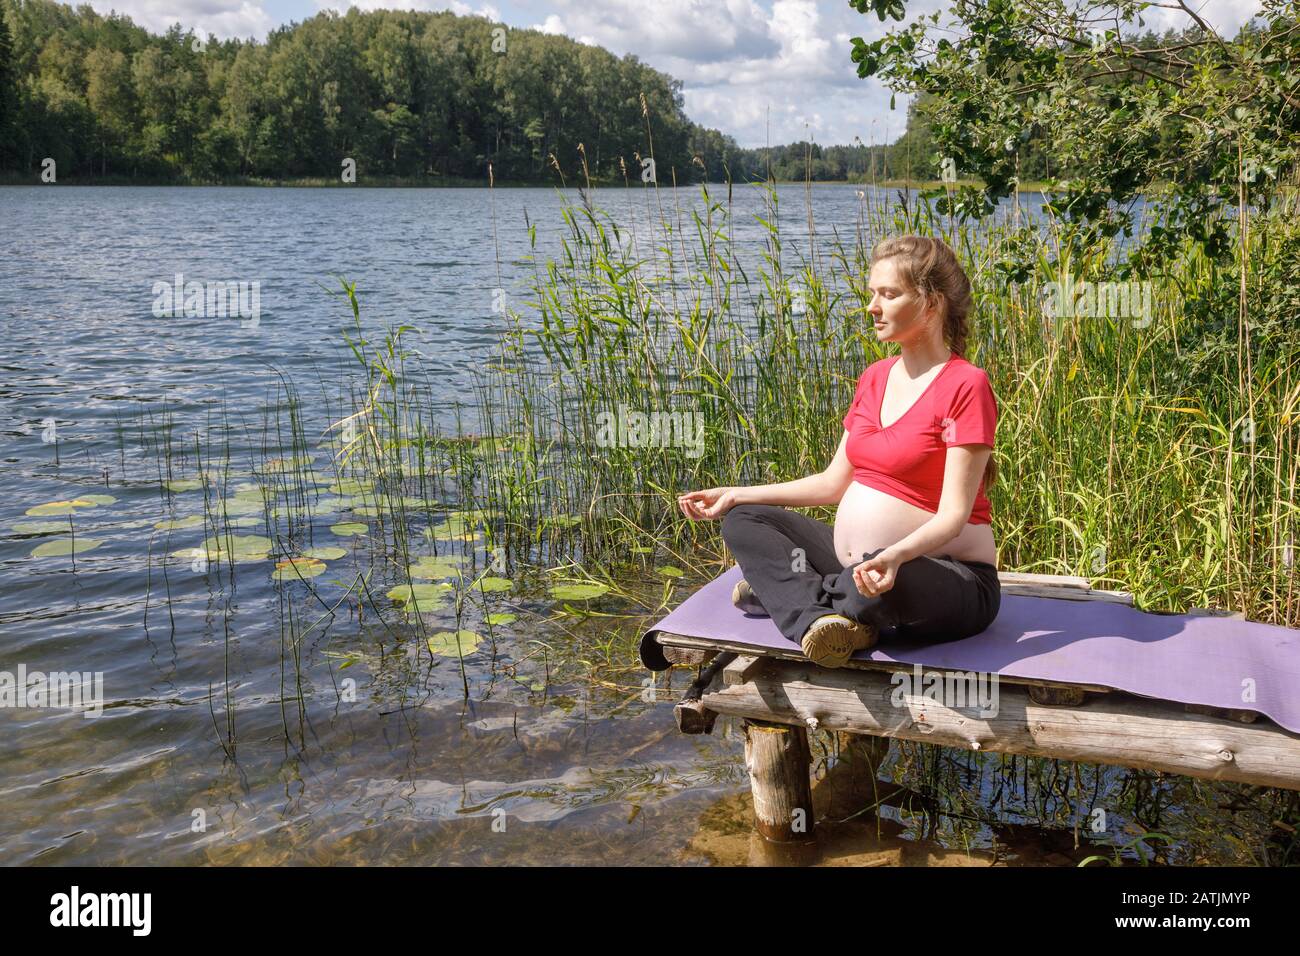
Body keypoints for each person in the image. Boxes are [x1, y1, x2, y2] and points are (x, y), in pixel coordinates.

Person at [677, 235, 1001, 668]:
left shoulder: (966, 385)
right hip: (860, 568)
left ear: (931, 302)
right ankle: (822, 619)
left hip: (942, 577)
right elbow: (833, 483)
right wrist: (738, 493)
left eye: (888, 294)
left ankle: (796, 596)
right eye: (872, 294)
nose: (872, 307)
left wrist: (895, 556)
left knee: (880, 583)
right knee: (745, 520)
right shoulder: (874, 378)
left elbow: (952, 517)